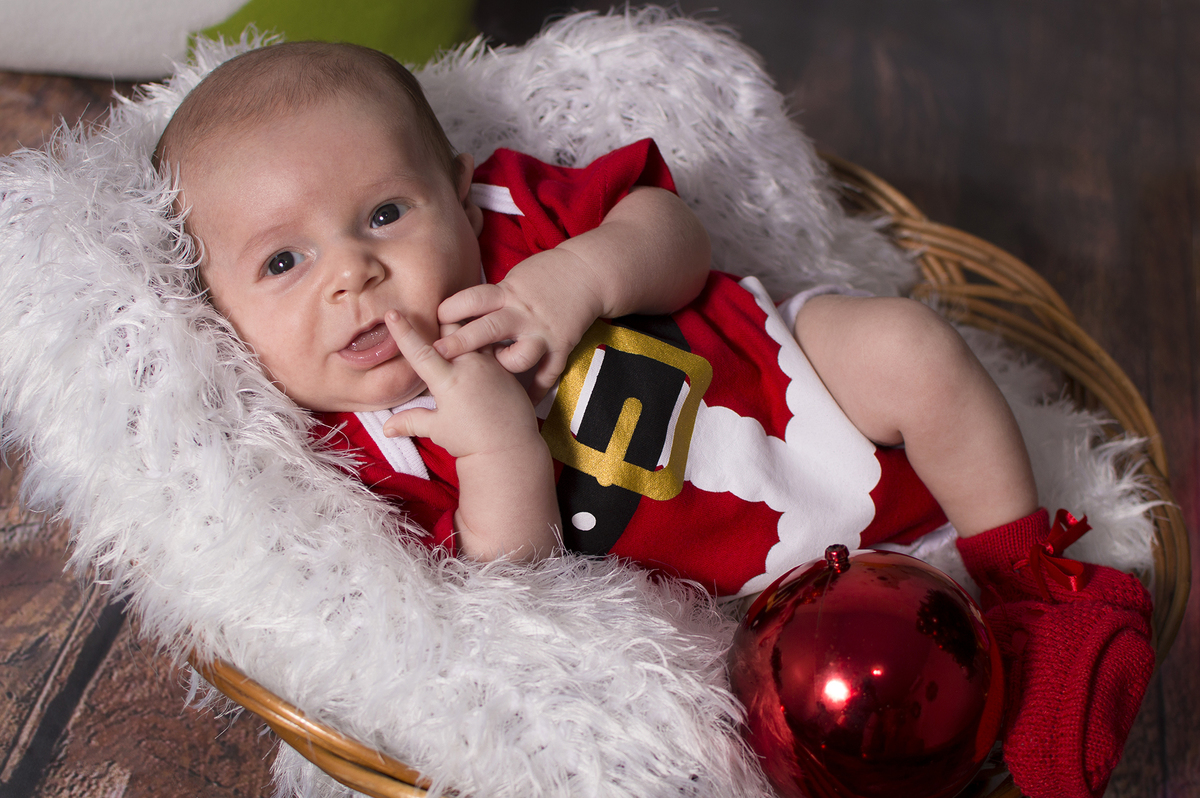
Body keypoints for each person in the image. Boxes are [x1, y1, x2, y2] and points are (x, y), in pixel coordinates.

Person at [154, 40, 1154, 798]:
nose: (352, 273)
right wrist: (496, 446)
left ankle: (1031, 586)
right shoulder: (364, 452)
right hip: (750, 604)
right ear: (222, 318)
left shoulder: (514, 216)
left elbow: (674, 233)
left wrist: (578, 277)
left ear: (457, 188)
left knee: (910, 346)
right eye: (282, 262)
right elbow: (511, 589)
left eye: (384, 214)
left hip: (792, 381)